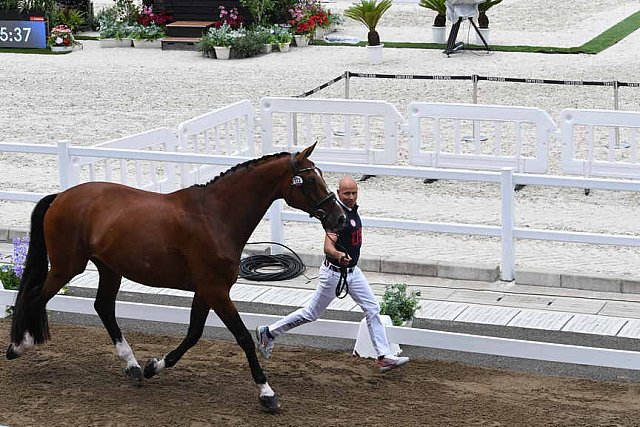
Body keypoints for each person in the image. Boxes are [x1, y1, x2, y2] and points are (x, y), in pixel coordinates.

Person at [256, 176, 409, 372]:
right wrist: (338, 254)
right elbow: (328, 247)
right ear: (338, 193)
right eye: (347, 193)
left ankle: (383, 356)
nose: (351, 197)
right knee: (311, 313)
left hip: (353, 273)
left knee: (373, 309)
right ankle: (269, 332)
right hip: (334, 274)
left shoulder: (353, 211)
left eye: (354, 193)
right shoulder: (337, 217)